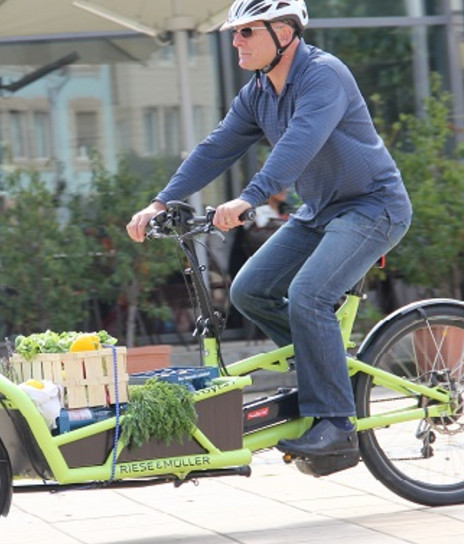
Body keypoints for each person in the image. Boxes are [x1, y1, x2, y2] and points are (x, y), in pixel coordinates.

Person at [125, 0, 412, 472]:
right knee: (249, 291)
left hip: (373, 206)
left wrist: (249, 198)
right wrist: (160, 201)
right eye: (234, 33)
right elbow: (216, 148)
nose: (235, 41)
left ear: (284, 32)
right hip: (320, 210)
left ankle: (337, 426)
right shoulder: (258, 92)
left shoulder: (324, 75)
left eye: (246, 32)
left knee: (308, 296)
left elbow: (300, 142)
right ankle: (323, 369)